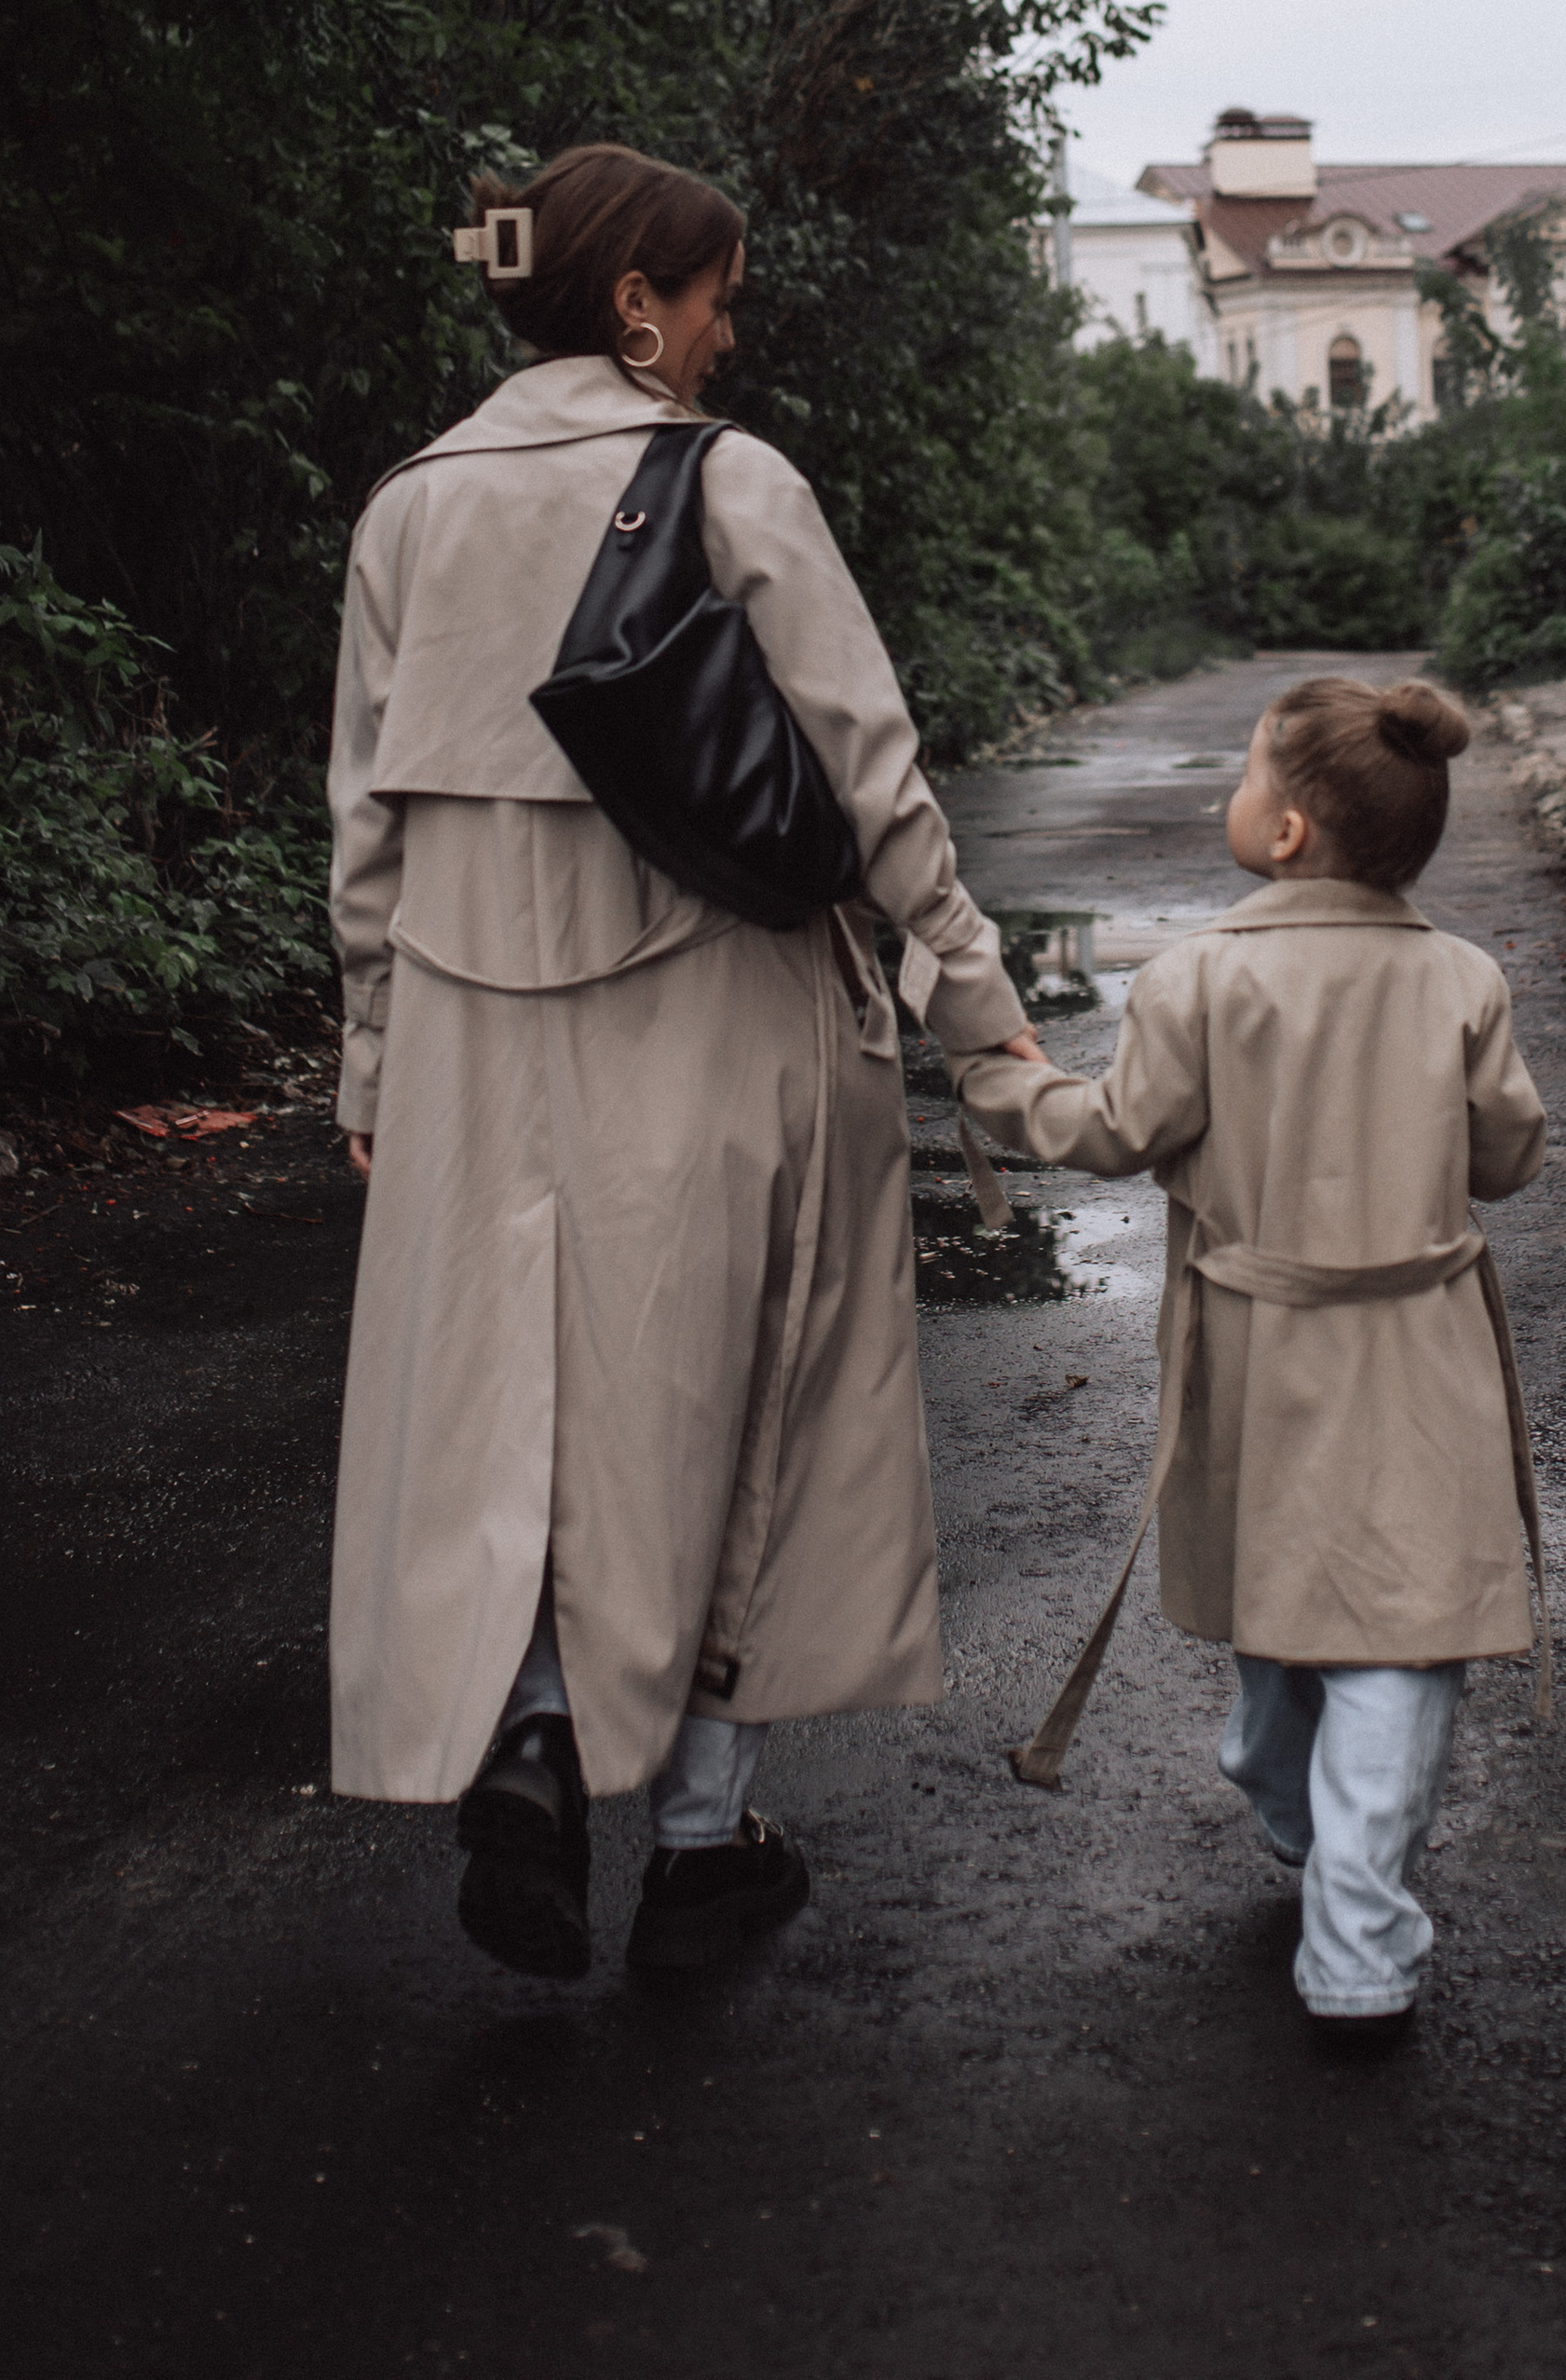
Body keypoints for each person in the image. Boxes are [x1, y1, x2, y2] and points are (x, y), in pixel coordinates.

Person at [325, 142, 1026, 1979]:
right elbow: (869, 775)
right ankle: (704, 1836)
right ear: (635, 303)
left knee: (517, 1414)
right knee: (744, 1399)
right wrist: (975, 1003)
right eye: (710, 291)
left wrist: (372, 1065)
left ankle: (537, 1737)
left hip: (476, 1038)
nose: (726, 325)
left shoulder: (405, 508)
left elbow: (363, 833)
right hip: (721, 1010)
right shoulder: (726, 482)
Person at [952, 676, 1547, 2039]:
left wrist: (994, 1070)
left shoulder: (1198, 979)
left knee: (1290, 1598)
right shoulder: (1463, 979)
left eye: (1240, 779)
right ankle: (1331, 1853)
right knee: (1398, 1634)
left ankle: (1345, 1919)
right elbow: (1508, 1156)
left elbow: (1109, 1133)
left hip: (1260, 1352)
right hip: (1416, 1351)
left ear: (1284, 836)